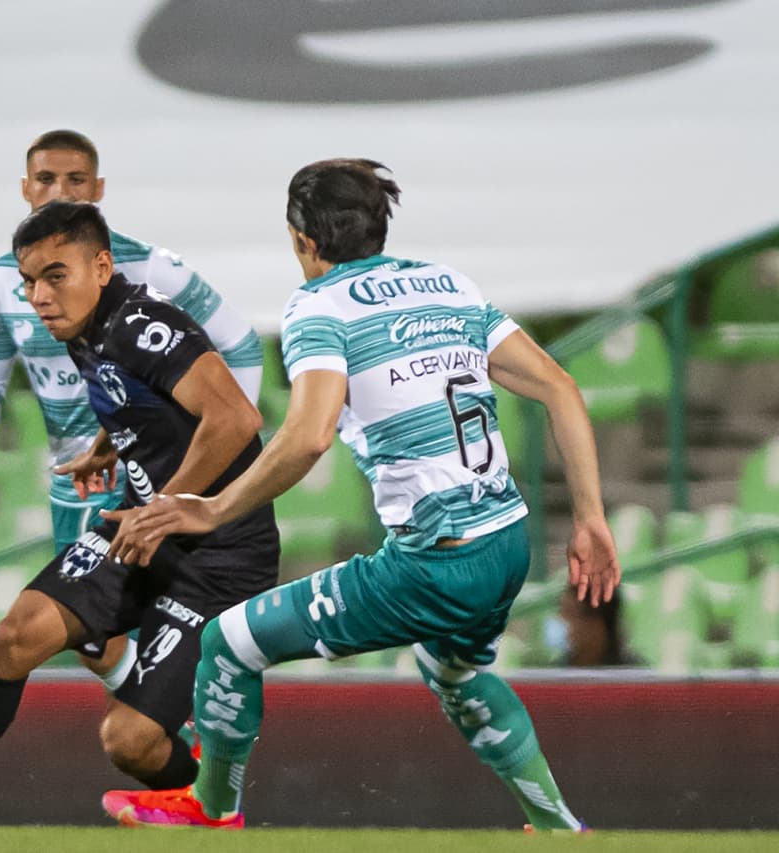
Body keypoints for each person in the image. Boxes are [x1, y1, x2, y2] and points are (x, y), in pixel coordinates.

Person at [99, 159, 622, 830]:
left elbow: (310, 434)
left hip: (433, 562)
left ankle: (211, 809)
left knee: (229, 642)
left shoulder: (318, 308)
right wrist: (590, 521)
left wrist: (214, 506)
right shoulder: (449, 285)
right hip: (506, 542)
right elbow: (559, 387)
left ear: (301, 240)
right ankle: (559, 828)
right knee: (455, 674)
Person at [0, 201, 280, 827]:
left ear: (101, 265)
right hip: (142, 525)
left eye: (55, 275)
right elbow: (139, 398)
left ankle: (212, 812)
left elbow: (236, 418)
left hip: (219, 556)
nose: (39, 295)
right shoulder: (86, 326)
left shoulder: (143, 322)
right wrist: (109, 444)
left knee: (129, 743)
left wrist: (164, 506)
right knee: (14, 637)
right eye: (29, 280)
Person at [0, 129, 264, 689]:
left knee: (156, 626)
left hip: (159, 481)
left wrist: (213, 444)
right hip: (76, 481)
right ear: (25, 188)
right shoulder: (3, 279)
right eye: (45, 179)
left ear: (97, 189)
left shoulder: (150, 267)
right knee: (90, 641)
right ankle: (153, 729)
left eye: (74, 180)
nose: (58, 190)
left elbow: (240, 347)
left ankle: (164, 739)